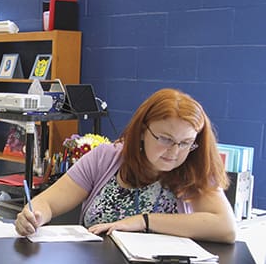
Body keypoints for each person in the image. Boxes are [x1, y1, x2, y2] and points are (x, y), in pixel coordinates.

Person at [15, 88, 236, 243]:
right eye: (165, 139)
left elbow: (226, 228)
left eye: (186, 143)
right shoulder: (106, 158)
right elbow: (49, 203)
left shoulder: (193, 167)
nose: (175, 151)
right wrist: (35, 215)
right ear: (142, 131)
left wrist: (144, 221)